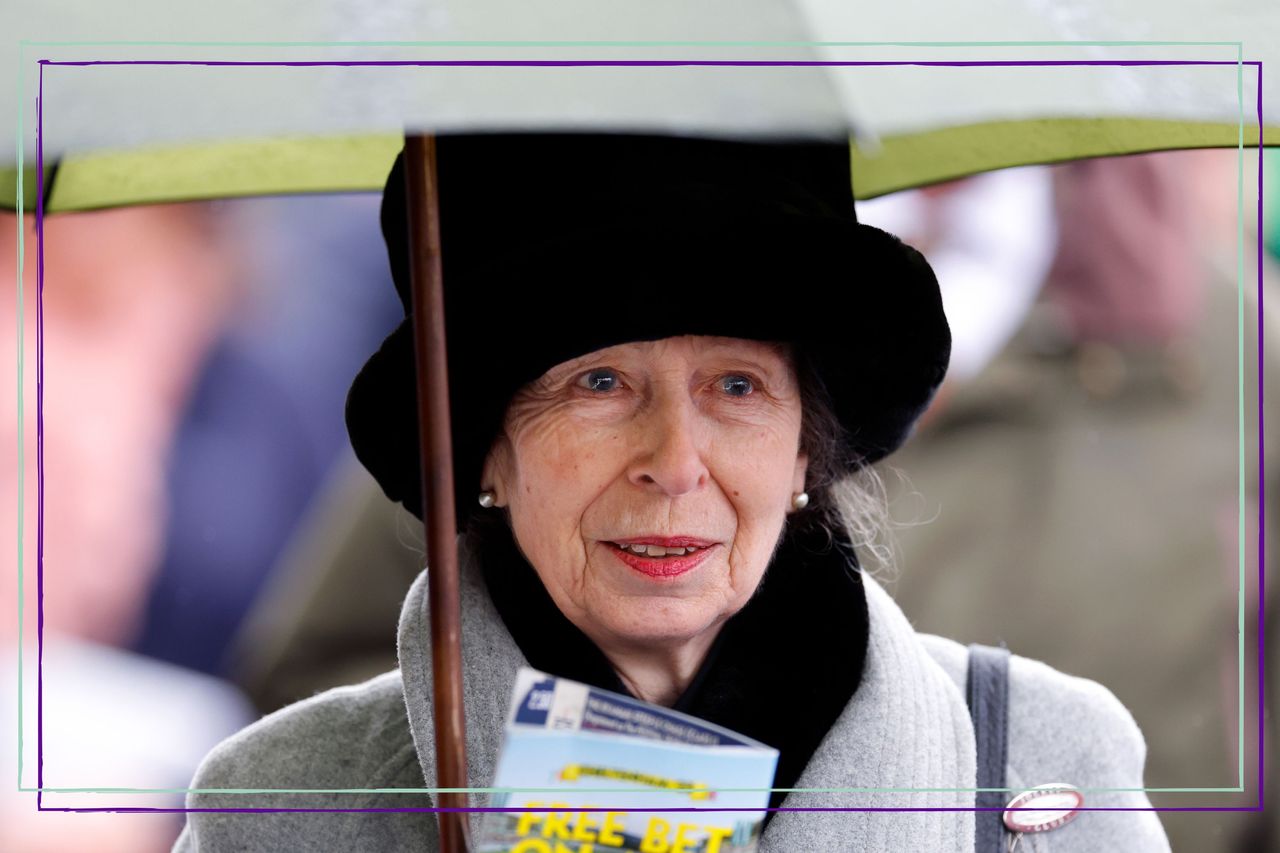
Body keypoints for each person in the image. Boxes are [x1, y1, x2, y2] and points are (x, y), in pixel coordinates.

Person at [174, 134, 1170, 851]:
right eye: (597, 383)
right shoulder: (284, 809)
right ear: (484, 452)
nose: (674, 459)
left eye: (735, 385)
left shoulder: (1044, 769)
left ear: (800, 453)